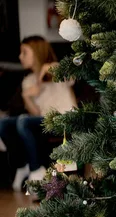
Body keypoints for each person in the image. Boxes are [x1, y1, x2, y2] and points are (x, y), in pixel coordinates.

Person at [0, 36, 76, 190]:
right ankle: (22, 165)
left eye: (24, 52)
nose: (20, 56)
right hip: (45, 121)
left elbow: (72, 77)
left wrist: (46, 74)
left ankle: (36, 170)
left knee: (23, 121)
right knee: (4, 124)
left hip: (66, 119)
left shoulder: (54, 68)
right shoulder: (28, 81)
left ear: (36, 52)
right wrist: (26, 96)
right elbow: (36, 113)